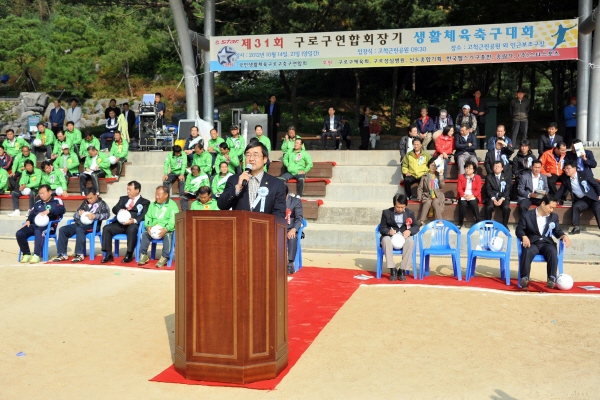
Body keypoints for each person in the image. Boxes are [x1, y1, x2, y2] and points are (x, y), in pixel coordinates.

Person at [217, 142, 286, 218]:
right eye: (248, 155)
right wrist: (237, 188)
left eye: (255, 155)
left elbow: (280, 214)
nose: (251, 159)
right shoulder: (234, 180)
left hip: (263, 228)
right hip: (240, 227)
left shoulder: (277, 184)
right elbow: (222, 205)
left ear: (265, 159)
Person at [516, 194, 570, 289]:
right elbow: (519, 229)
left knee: (552, 251)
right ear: (543, 203)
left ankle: (551, 278)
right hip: (532, 243)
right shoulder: (527, 215)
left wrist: (563, 236)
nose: (551, 210)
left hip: (546, 243)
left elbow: (557, 230)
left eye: (553, 208)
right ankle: (525, 278)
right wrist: (524, 236)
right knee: (527, 252)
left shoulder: (554, 217)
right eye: (550, 207)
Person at [53, 187, 110, 263]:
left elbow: (107, 214)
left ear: (96, 195)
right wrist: (79, 213)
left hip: (92, 226)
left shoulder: (102, 204)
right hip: (79, 224)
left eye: (91, 198)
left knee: (80, 230)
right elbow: (75, 216)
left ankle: (79, 254)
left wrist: (95, 216)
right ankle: (62, 253)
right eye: (88, 198)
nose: (89, 200)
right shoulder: (85, 203)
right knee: (63, 230)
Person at [100, 180, 150, 263]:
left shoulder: (144, 202)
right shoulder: (123, 199)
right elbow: (114, 208)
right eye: (127, 189)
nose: (128, 191)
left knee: (132, 230)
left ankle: (129, 254)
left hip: (132, 224)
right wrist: (120, 210)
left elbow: (144, 214)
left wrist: (134, 220)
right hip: (119, 224)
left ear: (137, 190)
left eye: (130, 190)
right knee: (106, 228)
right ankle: (108, 254)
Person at [15, 185, 66, 264]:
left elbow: (62, 210)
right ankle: (26, 253)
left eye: (43, 193)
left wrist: (49, 211)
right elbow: (32, 213)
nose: (41, 195)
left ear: (49, 192)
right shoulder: (38, 202)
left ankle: (36, 255)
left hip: (49, 226)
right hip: (35, 225)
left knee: (39, 231)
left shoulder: (57, 200)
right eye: (40, 193)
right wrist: (28, 220)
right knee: (20, 233)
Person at [378, 193, 420, 281]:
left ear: (405, 206)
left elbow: (416, 226)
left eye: (402, 207)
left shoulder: (410, 213)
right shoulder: (386, 212)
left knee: (411, 242)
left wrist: (409, 231)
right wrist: (389, 232)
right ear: (394, 205)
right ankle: (392, 268)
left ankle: (402, 270)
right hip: (390, 237)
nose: (400, 209)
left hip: (404, 236)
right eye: (397, 207)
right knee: (385, 240)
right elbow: (382, 228)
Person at [138, 185, 179, 268]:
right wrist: (148, 225)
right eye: (156, 194)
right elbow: (148, 216)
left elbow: (173, 219)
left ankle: (164, 257)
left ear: (166, 195)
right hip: (153, 228)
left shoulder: (172, 205)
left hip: (166, 229)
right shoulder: (152, 205)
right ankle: (143, 255)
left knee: (167, 236)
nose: (156, 197)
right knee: (145, 235)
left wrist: (166, 229)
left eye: (159, 195)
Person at [556, 161, 600, 235]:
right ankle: (576, 227)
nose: (566, 170)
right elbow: (560, 192)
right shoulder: (566, 180)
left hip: (593, 198)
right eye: (565, 168)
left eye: (568, 168)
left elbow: (596, 185)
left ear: (574, 168)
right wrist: (552, 200)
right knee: (576, 206)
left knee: (597, 208)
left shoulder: (584, 174)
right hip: (583, 200)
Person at [417, 158, 445, 225]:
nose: (433, 167)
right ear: (428, 166)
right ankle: (421, 221)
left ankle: (440, 221)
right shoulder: (424, 176)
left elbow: (441, 186)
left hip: (437, 196)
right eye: (431, 165)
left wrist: (441, 175)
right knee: (428, 202)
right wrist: (419, 197)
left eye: (435, 166)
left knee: (435, 202)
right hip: (427, 195)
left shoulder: (438, 176)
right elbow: (420, 188)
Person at [483, 161, 512, 226]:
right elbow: (488, 189)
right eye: (495, 166)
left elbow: (507, 189)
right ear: (493, 168)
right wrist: (493, 199)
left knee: (506, 208)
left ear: (502, 168)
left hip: (503, 197)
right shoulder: (489, 177)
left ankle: (505, 225)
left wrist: (502, 199)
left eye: (498, 166)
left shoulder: (506, 177)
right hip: (492, 197)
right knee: (489, 207)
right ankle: (488, 224)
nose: (496, 168)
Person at [457, 161, 482, 229]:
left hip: (473, 195)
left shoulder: (477, 177)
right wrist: (464, 195)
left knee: (473, 203)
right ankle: (460, 222)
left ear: (473, 170)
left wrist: (472, 196)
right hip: (463, 195)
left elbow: (478, 189)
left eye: (470, 168)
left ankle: (478, 220)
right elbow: (459, 189)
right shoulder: (461, 177)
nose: (468, 170)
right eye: (466, 168)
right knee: (463, 203)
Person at [285, 184, 303, 274]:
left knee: (292, 238)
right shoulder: (274, 201)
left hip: (290, 228)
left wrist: (294, 229)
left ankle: (290, 263)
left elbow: (299, 218)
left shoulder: (296, 201)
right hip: (277, 228)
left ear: (286, 193)